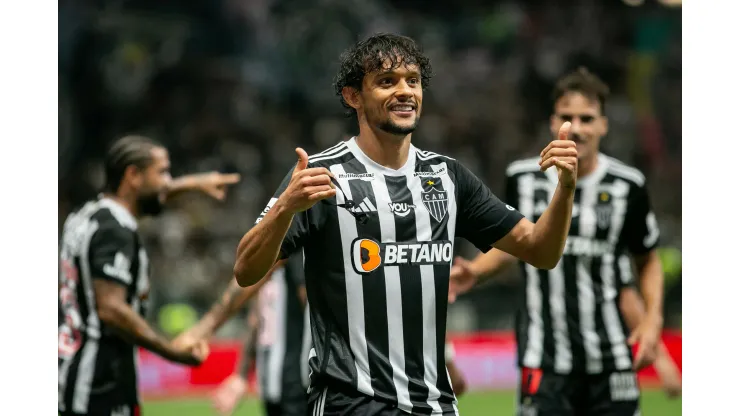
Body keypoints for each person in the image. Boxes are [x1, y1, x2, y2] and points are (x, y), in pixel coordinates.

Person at [232, 33, 579, 416]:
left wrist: (565, 190)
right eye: (386, 81)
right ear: (353, 96)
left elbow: (541, 251)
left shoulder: (449, 177)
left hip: (434, 405)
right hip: (350, 404)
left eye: (412, 80)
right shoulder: (320, 174)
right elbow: (246, 270)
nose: (404, 91)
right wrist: (284, 208)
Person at [447, 67, 665, 416]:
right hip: (543, 359)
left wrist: (653, 320)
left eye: (587, 118)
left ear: (603, 125)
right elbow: (517, 246)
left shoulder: (629, 186)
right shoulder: (522, 178)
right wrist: (476, 270)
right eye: (567, 116)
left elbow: (647, 259)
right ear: (553, 122)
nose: (576, 127)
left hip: (611, 357)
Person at [58, 135, 241, 416]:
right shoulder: (115, 230)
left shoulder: (85, 216)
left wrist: (192, 184)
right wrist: (171, 352)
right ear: (133, 175)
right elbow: (111, 309)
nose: (168, 181)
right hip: (98, 386)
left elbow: (152, 195)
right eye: (162, 172)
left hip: (70, 369)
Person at [179, 253, 311, 416]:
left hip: (299, 384)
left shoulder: (295, 251)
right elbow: (257, 318)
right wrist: (241, 375)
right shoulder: (276, 258)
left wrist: (204, 328)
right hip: (273, 385)